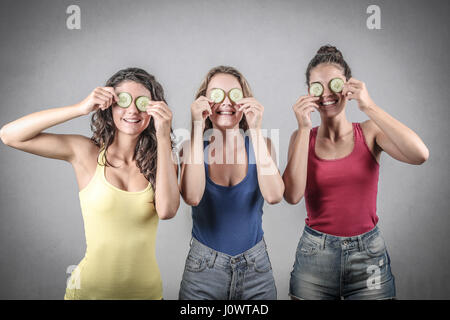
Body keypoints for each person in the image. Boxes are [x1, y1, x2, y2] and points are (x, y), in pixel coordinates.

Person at [0, 67, 180, 299]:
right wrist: (80, 108)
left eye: (143, 103)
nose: (133, 110)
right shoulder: (85, 152)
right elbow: (9, 135)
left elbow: (166, 211)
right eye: (124, 101)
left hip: (147, 294)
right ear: (109, 106)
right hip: (89, 293)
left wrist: (163, 135)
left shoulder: (163, 160)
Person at [283, 45, 429, 300]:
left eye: (334, 84)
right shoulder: (302, 136)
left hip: (369, 257)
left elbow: (420, 154)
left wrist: (369, 106)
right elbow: (292, 195)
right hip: (315, 257)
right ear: (308, 92)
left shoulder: (370, 132)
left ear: (348, 86)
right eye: (317, 86)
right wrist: (304, 127)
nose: (327, 94)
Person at [178, 65, 284, 300]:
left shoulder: (262, 145)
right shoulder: (190, 148)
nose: (226, 102)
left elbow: (275, 195)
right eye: (217, 95)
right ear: (204, 102)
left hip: (256, 268)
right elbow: (192, 197)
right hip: (203, 269)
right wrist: (197, 126)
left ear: (245, 101)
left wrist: (255, 129)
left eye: (234, 95)